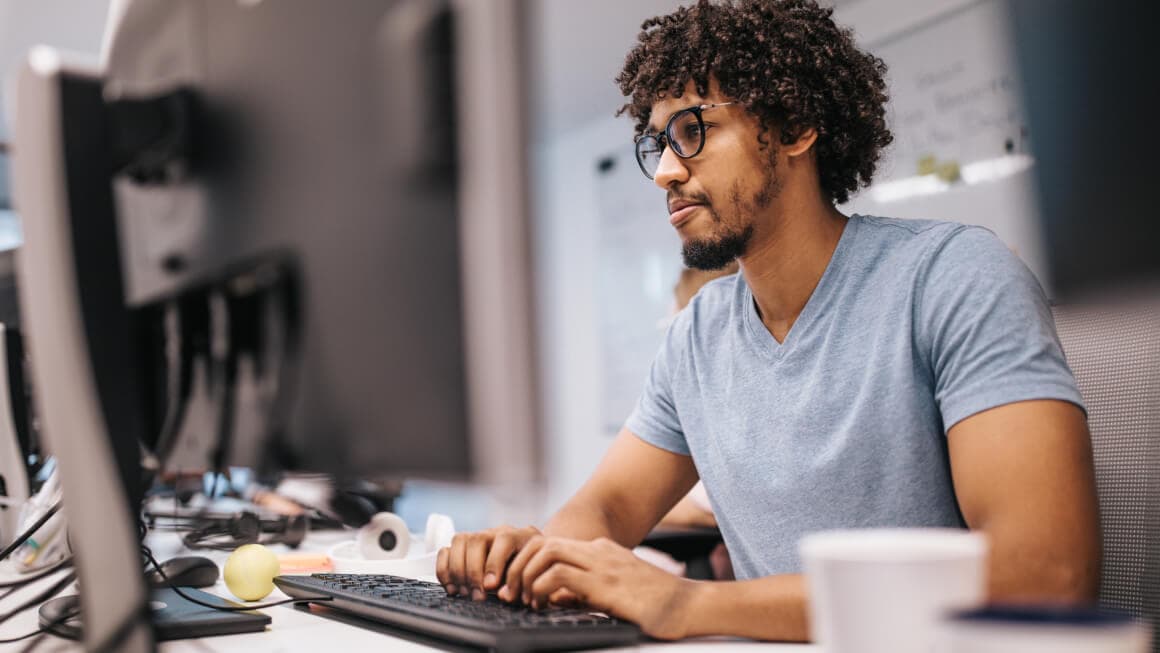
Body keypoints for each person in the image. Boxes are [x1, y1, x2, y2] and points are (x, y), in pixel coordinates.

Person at [437, 0, 1099, 642]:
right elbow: (605, 510)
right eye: (657, 143)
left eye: (693, 130)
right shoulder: (699, 336)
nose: (665, 171)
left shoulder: (954, 278)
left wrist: (689, 601)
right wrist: (530, 554)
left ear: (795, 127)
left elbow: (1044, 575)